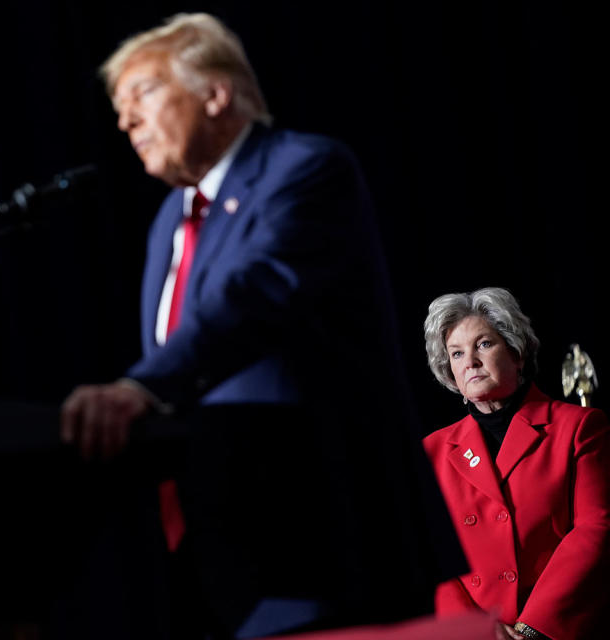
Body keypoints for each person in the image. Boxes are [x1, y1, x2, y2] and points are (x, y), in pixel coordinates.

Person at [59, 13, 464, 639]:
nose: (125, 121)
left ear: (214, 93)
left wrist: (139, 389)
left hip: (320, 534)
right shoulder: (172, 216)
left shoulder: (304, 168)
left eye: (141, 95)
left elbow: (250, 297)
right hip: (210, 538)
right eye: (118, 108)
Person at [422, 287, 610, 640]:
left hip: (556, 626)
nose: (471, 362)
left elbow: (595, 529)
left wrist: (532, 628)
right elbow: (432, 557)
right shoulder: (432, 449)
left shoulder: (578, 427)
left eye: (484, 344)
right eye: (457, 353)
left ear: (517, 353)